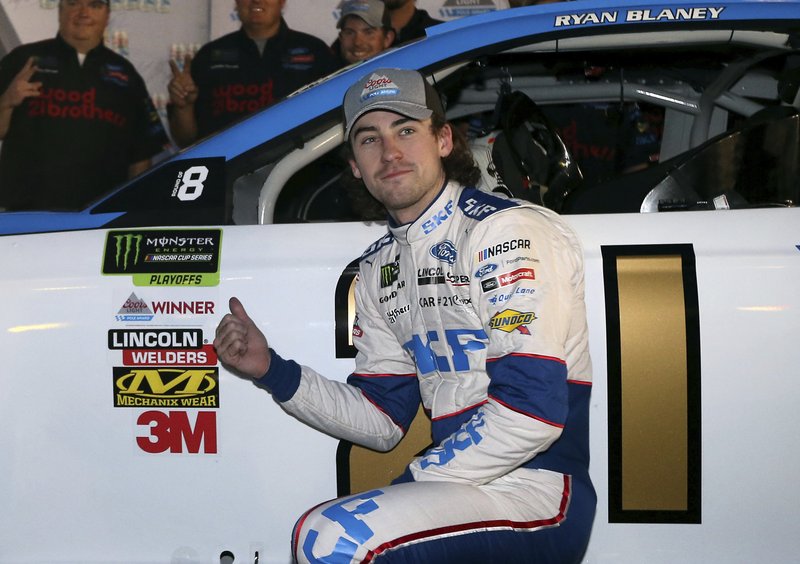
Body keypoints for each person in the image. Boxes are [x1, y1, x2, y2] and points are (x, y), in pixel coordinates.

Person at [214, 67, 595, 562]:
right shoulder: (379, 268)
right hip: (464, 490)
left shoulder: (505, 232)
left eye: (406, 131)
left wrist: (414, 481)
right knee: (329, 533)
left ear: (442, 140)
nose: (389, 153)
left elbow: (531, 411)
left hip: (537, 489)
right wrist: (273, 371)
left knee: (333, 537)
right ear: (354, 165)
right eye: (369, 139)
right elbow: (382, 419)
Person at [0, 0, 168, 211]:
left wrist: (131, 211)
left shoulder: (126, 74)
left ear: (107, 16)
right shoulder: (23, 60)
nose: (84, 12)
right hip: (25, 213)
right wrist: (6, 101)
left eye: (95, 5)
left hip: (97, 217)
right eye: (73, 3)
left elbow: (141, 155)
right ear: (60, 11)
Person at [167, 0, 336, 148]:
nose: (256, 1)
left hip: (299, 174)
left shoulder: (316, 51)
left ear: (282, 2)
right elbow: (185, 141)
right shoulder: (209, 56)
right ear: (236, 2)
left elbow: (335, 126)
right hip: (227, 173)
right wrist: (184, 107)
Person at [332, 0, 396, 69]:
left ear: (387, 39)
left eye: (368, 33)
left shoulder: (402, 74)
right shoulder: (327, 75)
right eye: (349, 33)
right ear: (341, 38)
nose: (358, 42)